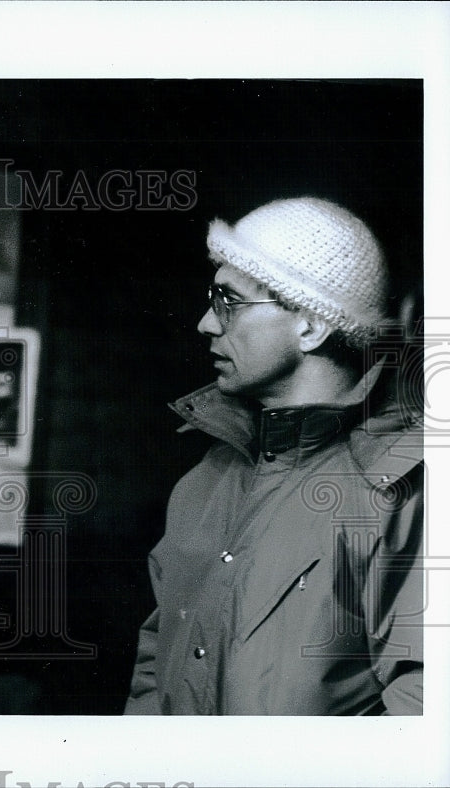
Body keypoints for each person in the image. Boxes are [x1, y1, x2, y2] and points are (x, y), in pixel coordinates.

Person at [124, 197, 423, 715]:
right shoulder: (203, 483)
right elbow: (155, 669)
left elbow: (423, 724)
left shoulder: (400, 496)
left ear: (310, 326)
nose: (206, 324)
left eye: (230, 302)